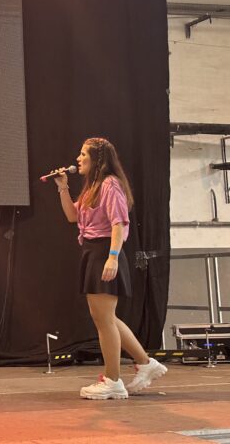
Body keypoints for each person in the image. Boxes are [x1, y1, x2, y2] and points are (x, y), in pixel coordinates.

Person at [53, 137, 167, 400]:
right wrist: (63, 187)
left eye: (83, 154)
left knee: (104, 320)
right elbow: (72, 216)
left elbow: (119, 223)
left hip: (105, 250)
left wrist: (112, 257)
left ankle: (113, 380)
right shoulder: (92, 188)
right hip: (93, 251)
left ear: (98, 159)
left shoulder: (110, 184)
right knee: (107, 318)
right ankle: (145, 363)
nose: (78, 159)